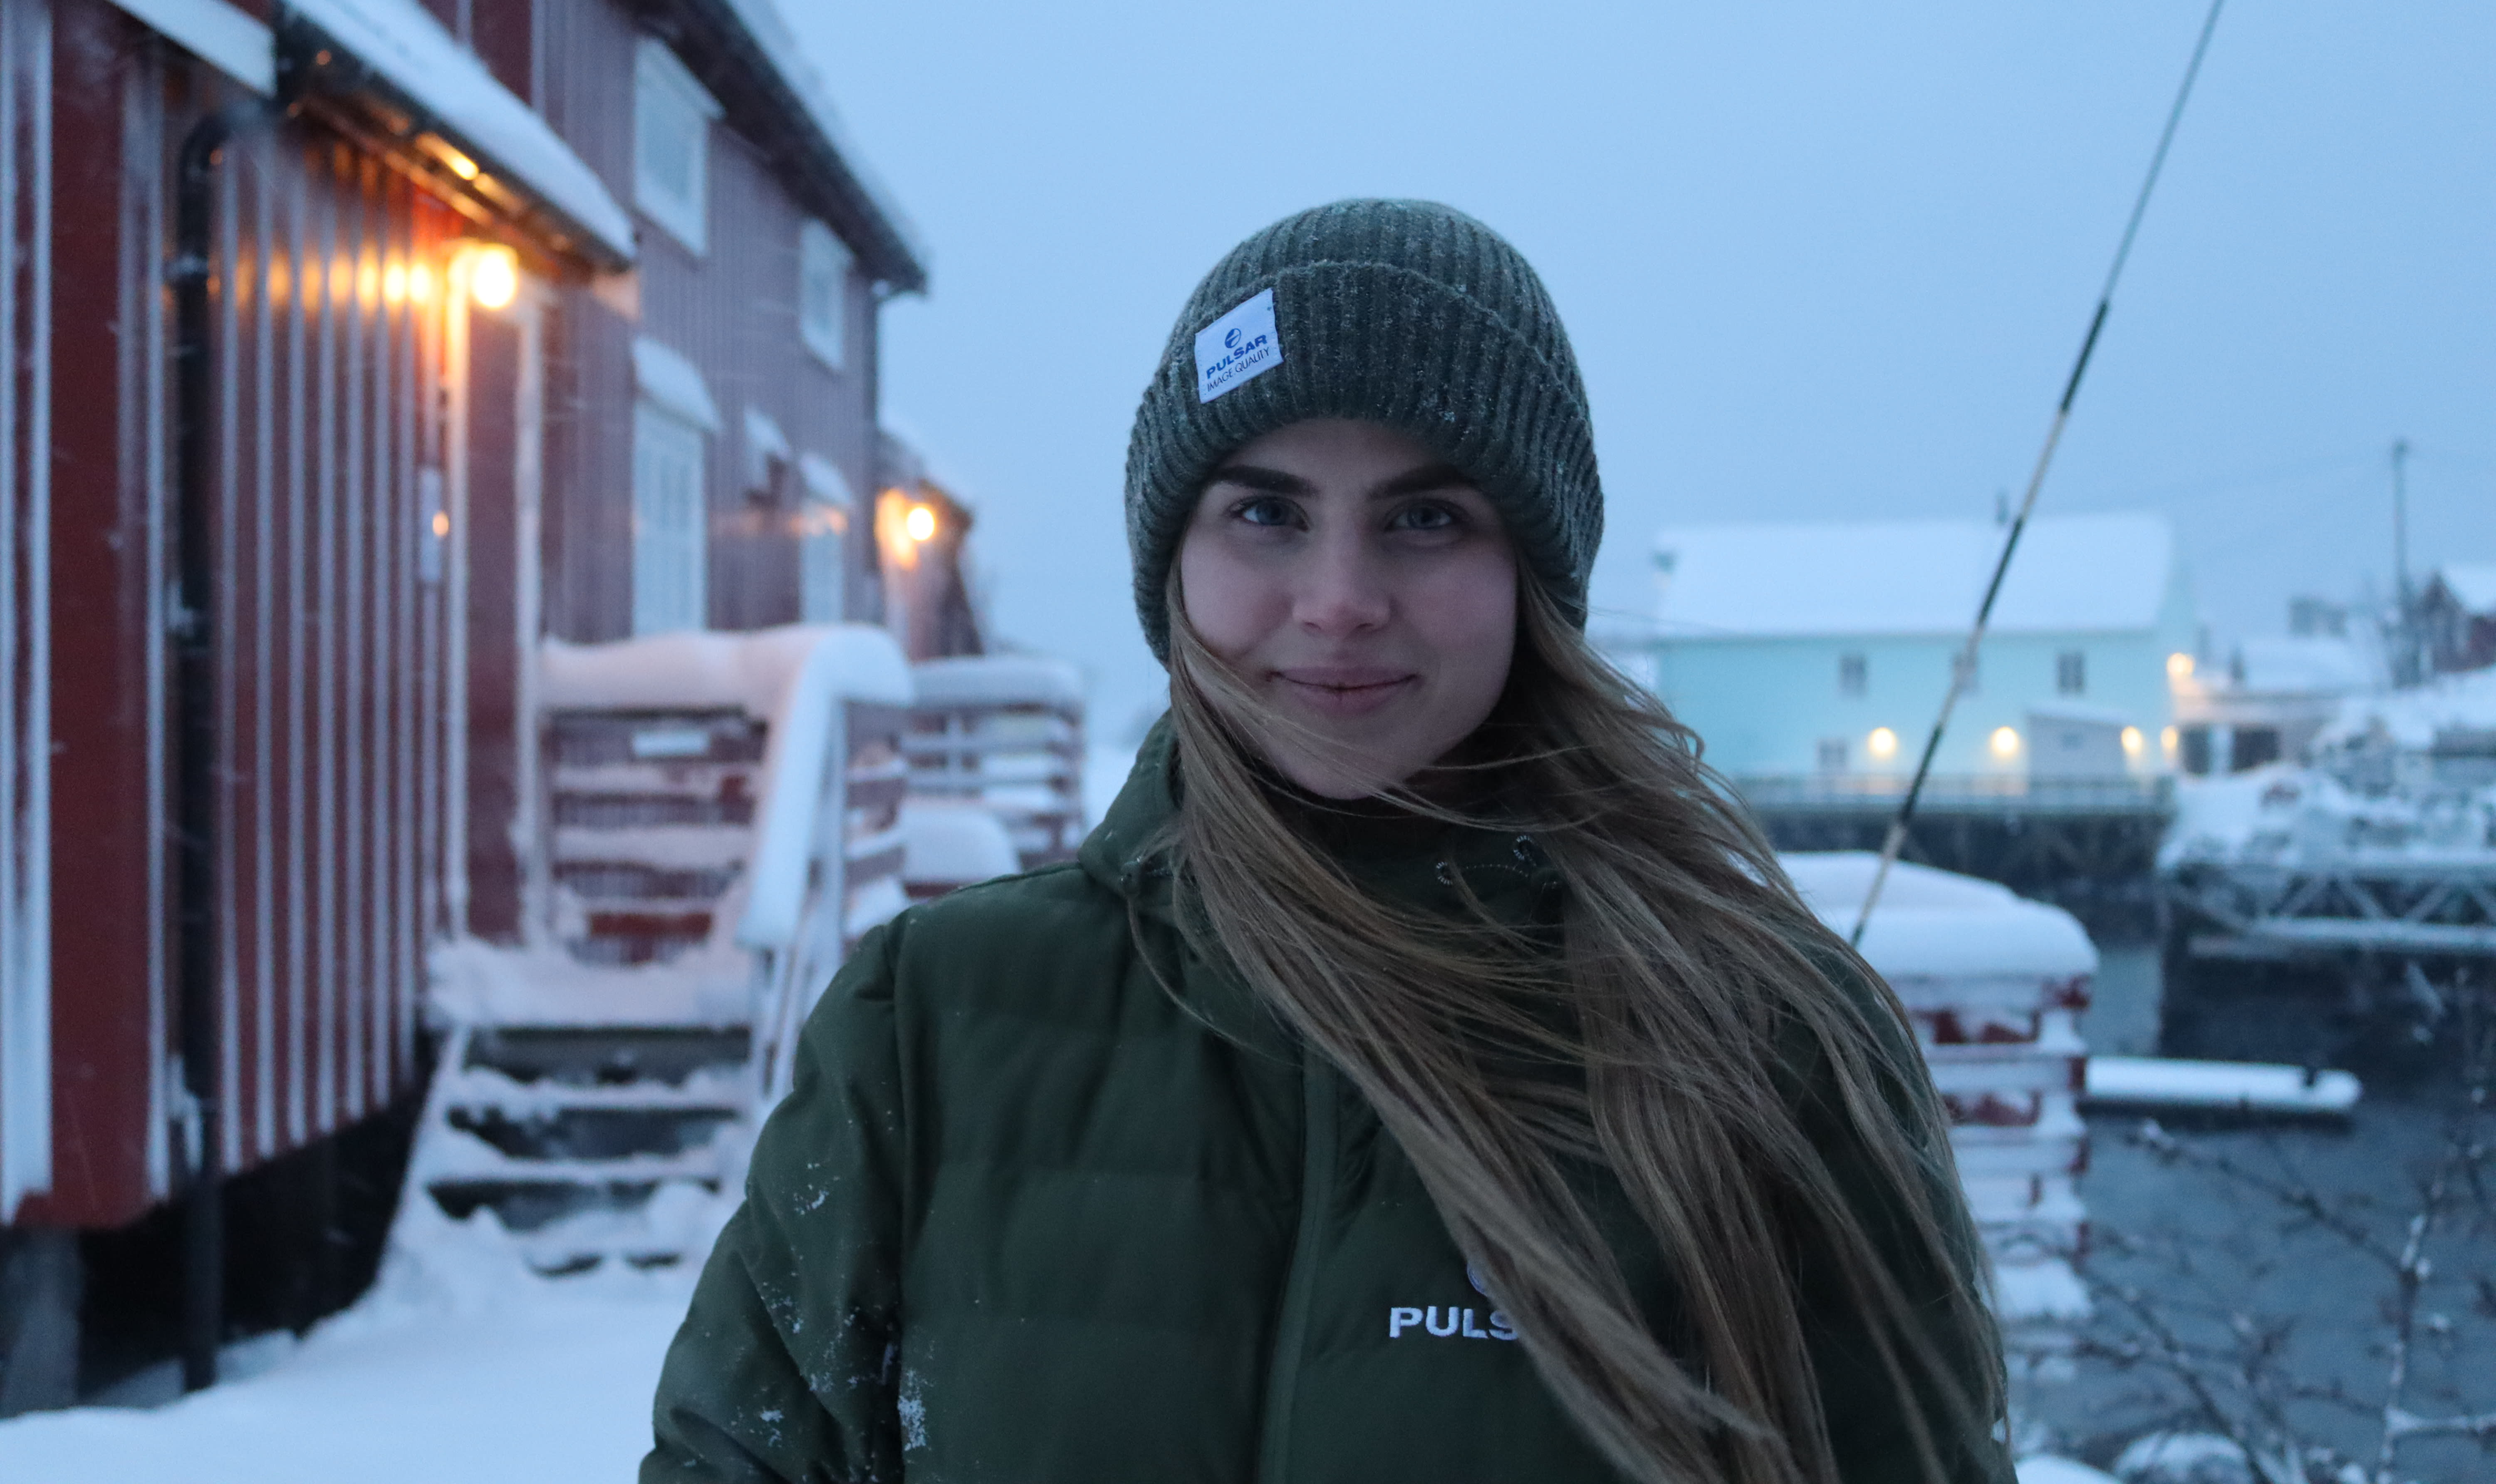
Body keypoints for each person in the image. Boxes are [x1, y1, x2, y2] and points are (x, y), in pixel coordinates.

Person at [644, 199, 2013, 1484]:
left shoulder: (1770, 1043)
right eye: (1267, 514)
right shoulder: (933, 1020)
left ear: (1531, 574)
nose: (1341, 599)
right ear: (1174, 562)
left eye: (1426, 518)